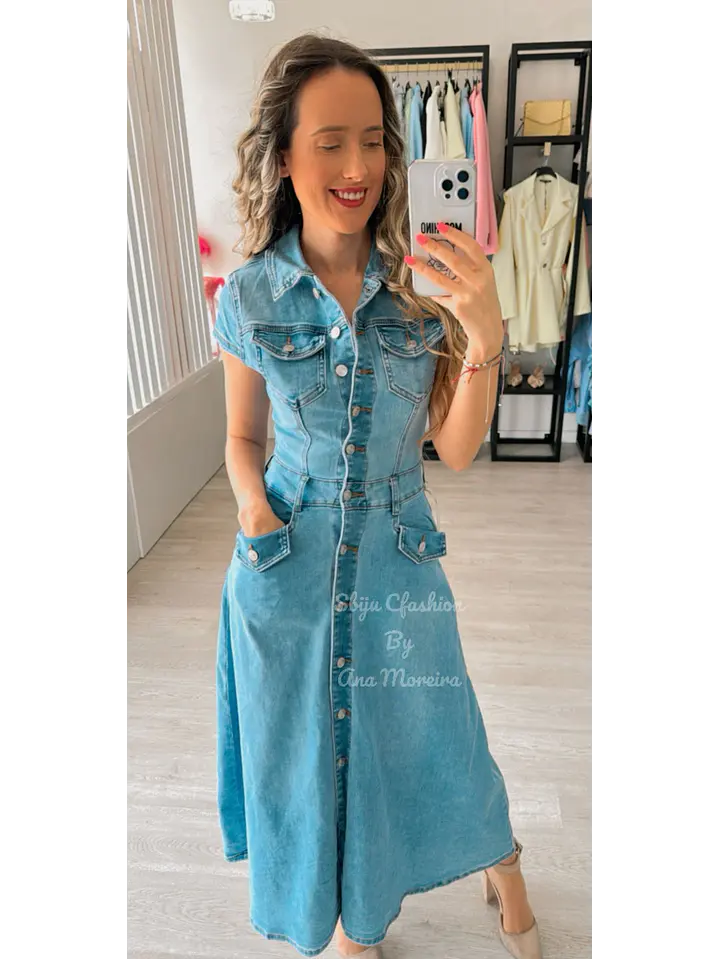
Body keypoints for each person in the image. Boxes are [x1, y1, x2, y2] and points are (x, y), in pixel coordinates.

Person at [213, 33, 542, 959]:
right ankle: (354, 919)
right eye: (330, 142)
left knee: (438, 729)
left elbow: (457, 448)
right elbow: (241, 441)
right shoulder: (248, 296)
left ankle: (503, 862)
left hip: (399, 554)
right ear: (284, 156)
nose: (357, 167)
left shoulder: (420, 287)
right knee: (307, 757)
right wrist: (253, 511)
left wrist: (484, 334)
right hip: (285, 561)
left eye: (373, 141)